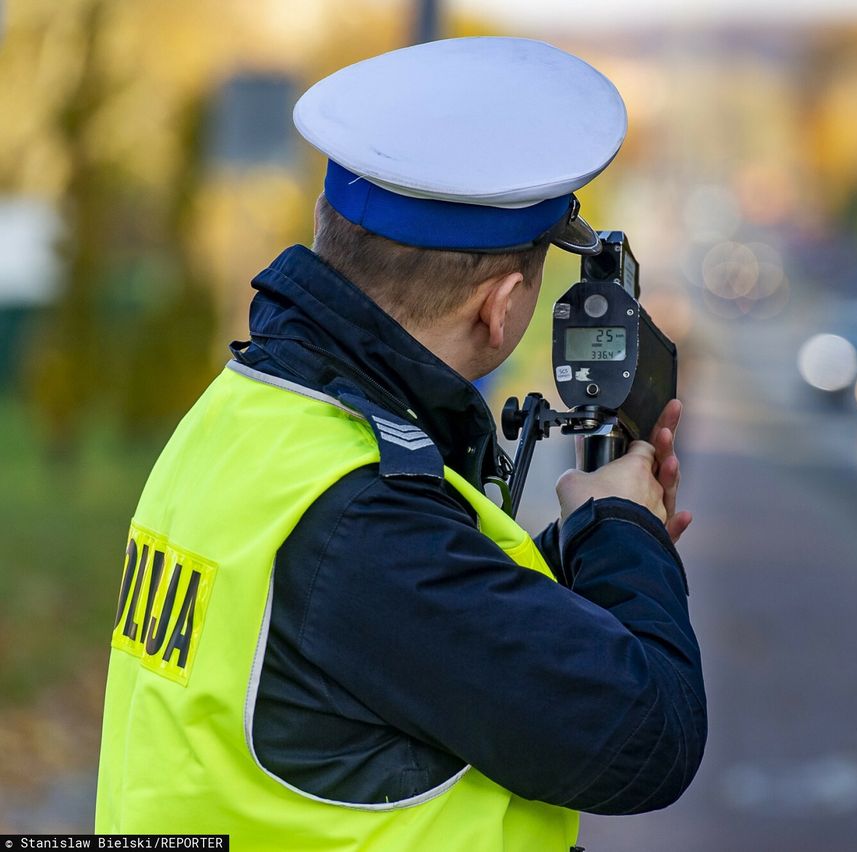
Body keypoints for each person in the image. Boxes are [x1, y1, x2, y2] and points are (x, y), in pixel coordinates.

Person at [95, 37, 706, 851]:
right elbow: (646, 740)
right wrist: (625, 536)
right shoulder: (368, 522)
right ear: (503, 305)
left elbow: (364, 660)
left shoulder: (249, 414)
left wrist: (591, 551)